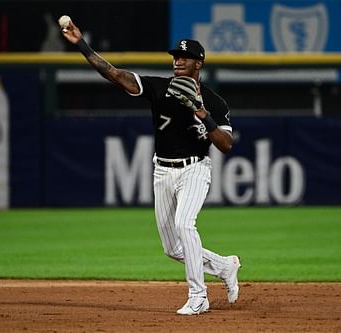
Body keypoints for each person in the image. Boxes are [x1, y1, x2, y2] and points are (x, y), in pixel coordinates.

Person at [61, 19, 241, 316]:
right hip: (162, 170)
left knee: (185, 225)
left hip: (195, 168)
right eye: (175, 57)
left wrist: (202, 113)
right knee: (173, 248)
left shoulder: (213, 100)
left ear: (199, 63)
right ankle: (224, 266)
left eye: (184, 57)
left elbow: (226, 144)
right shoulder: (160, 88)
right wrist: (82, 45)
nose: (178, 61)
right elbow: (115, 74)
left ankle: (199, 296)